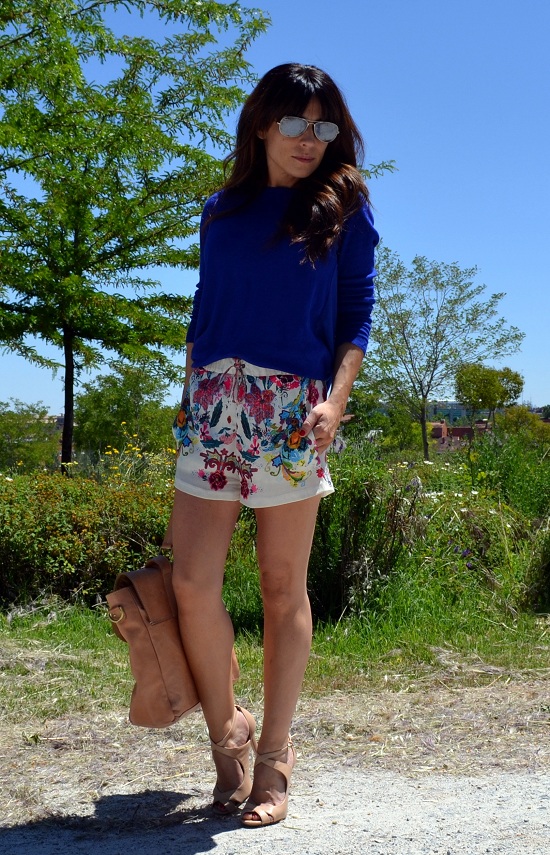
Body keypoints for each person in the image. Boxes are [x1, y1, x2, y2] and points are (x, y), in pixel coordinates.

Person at [170, 62, 379, 828]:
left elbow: (357, 313)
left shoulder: (344, 211)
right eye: (294, 123)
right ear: (261, 125)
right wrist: (191, 386)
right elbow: (205, 301)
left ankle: (275, 759)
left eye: (323, 126)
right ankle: (228, 733)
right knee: (192, 581)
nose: (308, 139)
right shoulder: (221, 210)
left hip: (292, 408)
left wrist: (336, 399)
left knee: (281, 585)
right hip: (212, 402)